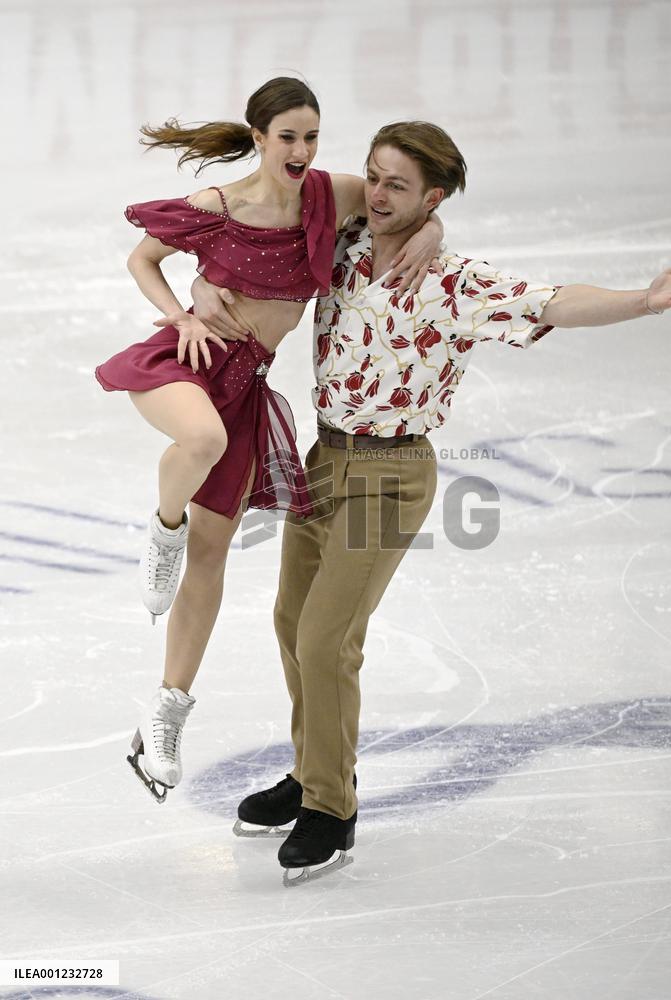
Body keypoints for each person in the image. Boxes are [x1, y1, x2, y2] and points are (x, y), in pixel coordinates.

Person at [190, 120, 671, 886]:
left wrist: (642, 300)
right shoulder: (342, 241)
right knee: (292, 622)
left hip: (388, 471)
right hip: (325, 457)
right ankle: (312, 771)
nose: (378, 192)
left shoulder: (455, 281)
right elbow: (266, 222)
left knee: (328, 636)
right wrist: (203, 284)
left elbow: (555, 302)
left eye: (399, 185)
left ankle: (331, 809)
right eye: (374, 176)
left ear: (432, 195)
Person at [94, 79, 444, 804]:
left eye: (312, 136)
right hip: (186, 366)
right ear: (259, 137)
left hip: (247, 385)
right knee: (200, 440)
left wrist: (434, 233)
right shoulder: (221, 206)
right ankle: (163, 529)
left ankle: (164, 714)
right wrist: (181, 316)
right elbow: (142, 258)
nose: (302, 149)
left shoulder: (330, 195)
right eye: (288, 136)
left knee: (214, 554)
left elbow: (407, 205)